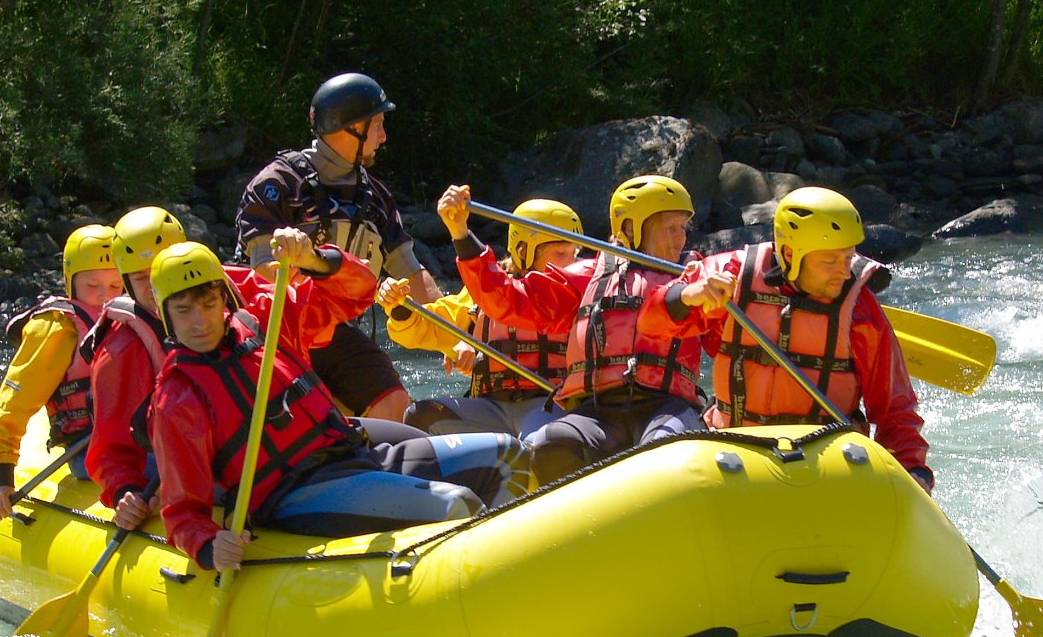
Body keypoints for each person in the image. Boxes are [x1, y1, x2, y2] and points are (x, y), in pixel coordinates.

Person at [148, 241, 528, 568]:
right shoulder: (177, 399)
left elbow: (357, 290)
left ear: (224, 299)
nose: (200, 322)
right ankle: (482, 600)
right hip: (295, 492)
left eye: (208, 303)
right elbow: (182, 511)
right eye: (184, 310)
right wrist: (207, 546)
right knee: (454, 505)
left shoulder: (268, 319)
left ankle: (518, 579)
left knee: (507, 453)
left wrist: (315, 258)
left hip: (355, 454)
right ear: (167, 315)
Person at [640, 186, 933, 490]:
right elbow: (651, 324)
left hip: (826, 459)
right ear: (790, 254)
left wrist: (912, 469)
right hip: (737, 450)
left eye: (848, 258)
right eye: (830, 261)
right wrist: (686, 296)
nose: (844, 273)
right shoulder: (730, 275)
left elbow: (895, 408)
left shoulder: (860, 309)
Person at [436, 174, 706, 486]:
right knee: (553, 445)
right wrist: (460, 233)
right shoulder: (589, 278)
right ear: (632, 228)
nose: (681, 239)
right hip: (600, 409)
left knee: (662, 450)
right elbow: (507, 299)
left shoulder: (696, 279)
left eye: (683, 228)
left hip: (667, 406)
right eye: (670, 228)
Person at [233, 72, 440, 424]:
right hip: (273, 329)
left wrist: (455, 332)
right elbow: (263, 271)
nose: (384, 136)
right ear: (352, 127)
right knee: (308, 413)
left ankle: (377, 472)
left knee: (394, 405)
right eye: (377, 125)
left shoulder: (374, 198)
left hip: (334, 331)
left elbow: (411, 273)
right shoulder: (278, 184)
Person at [381, 198, 583, 440]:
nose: (571, 262)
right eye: (561, 253)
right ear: (523, 250)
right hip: (490, 408)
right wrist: (399, 308)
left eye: (575, 252)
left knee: (543, 443)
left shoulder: (576, 294)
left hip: (548, 405)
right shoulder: (486, 293)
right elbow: (424, 327)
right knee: (420, 416)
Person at [0, 223, 121, 521]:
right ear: (71, 282)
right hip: (90, 451)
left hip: (134, 441)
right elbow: (13, 404)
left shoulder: (134, 316)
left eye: (116, 286)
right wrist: (2, 482)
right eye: (92, 286)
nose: (104, 296)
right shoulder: (58, 327)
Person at [81, 205, 186, 533]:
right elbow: (112, 443)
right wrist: (125, 491)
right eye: (142, 278)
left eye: (163, 271)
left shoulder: (220, 297)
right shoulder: (123, 347)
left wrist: (317, 262)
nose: (156, 285)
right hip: (173, 461)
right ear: (127, 281)